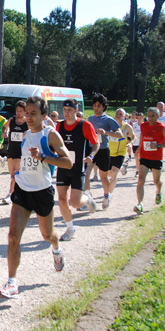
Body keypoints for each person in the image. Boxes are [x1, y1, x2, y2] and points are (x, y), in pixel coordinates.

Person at [0, 97, 73, 299]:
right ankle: (12, 283)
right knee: (13, 237)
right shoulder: (26, 134)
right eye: (26, 113)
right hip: (22, 190)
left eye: (33, 113)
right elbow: (27, 158)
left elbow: (68, 162)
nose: (28, 117)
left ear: (44, 115)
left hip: (42, 192)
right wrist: (19, 171)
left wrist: (44, 157)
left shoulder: (50, 135)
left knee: (48, 235)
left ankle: (56, 248)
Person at [55, 99, 98, 241]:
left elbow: (96, 143)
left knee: (75, 203)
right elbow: (53, 143)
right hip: (63, 166)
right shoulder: (59, 126)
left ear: (76, 110)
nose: (66, 113)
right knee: (61, 199)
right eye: (64, 110)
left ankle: (87, 199)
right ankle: (70, 228)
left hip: (77, 168)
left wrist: (91, 155)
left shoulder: (84, 125)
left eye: (69, 110)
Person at [84, 94, 123, 210]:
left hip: (103, 150)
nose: (96, 108)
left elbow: (119, 134)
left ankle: (107, 195)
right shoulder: (90, 119)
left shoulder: (108, 120)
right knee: (86, 174)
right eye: (95, 105)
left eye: (99, 106)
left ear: (103, 107)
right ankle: (88, 199)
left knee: (103, 177)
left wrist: (105, 132)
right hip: (91, 149)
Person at [133, 107, 165, 214]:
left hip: (156, 158)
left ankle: (158, 191)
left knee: (156, 181)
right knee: (141, 180)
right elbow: (142, 137)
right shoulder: (144, 126)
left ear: (158, 116)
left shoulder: (161, 127)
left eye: (152, 116)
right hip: (145, 157)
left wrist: (159, 145)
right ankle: (140, 204)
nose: (150, 118)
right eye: (149, 116)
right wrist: (138, 149)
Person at [1, 100, 28, 205]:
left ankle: (10, 194)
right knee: (12, 173)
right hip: (11, 150)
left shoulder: (27, 123)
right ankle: (20, 192)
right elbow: (4, 127)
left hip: (21, 151)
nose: (19, 113)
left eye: (21, 111)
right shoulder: (12, 120)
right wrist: (5, 132)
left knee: (14, 173)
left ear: (25, 112)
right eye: (17, 111)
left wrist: (27, 134)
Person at [107, 109, 135, 196]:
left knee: (114, 173)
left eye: (120, 114)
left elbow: (132, 136)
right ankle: (123, 167)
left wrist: (129, 142)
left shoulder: (126, 127)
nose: (118, 115)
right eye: (117, 113)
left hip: (120, 152)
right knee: (109, 174)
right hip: (109, 152)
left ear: (124, 116)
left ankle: (109, 194)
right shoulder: (110, 125)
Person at [130, 112, 143, 177]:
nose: (139, 119)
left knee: (141, 157)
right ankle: (137, 170)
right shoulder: (134, 124)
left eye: (141, 118)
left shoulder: (144, 125)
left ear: (143, 118)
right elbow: (131, 133)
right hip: (135, 143)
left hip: (142, 143)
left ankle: (141, 170)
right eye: (138, 118)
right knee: (136, 157)